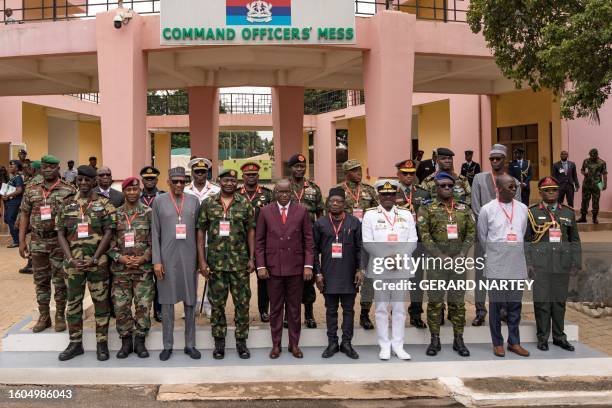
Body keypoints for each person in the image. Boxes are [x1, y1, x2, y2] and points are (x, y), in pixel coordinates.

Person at [56, 165, 116, 362]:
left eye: (87, 180)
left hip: (97, 265)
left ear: (94, 181)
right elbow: (61, 233)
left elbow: (109, 232)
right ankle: (75, 344)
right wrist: (71, 259)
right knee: (73, 304)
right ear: (76, 180)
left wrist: (95, 258)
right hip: (73, 266)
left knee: (101, 304)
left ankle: (102, 343)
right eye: (80, 179)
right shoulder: (66, 204)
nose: (83, 183)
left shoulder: (105, 205)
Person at [197, 169, 256, 360]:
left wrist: (251, 258)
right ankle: (219, 343)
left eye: (232, 180)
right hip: (216, 265)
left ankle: (241, 342)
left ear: (236, 182)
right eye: (225, 180)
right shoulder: (208, 203)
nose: (229, 183)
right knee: (217, 305)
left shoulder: (244, 203)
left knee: (242, 304)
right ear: (219, 182)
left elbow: (250, 232)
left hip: (239, 264)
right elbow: (200, 233)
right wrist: (202, 260)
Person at [417, 172, 475, 357]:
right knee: (435, 302)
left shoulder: (464, 208)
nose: (447, 188)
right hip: (436, 264)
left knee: (457, 303)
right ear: (436, 187)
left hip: (458, 263)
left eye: (450, 186)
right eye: (443, 185)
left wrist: (462, 254)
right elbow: (424, 234)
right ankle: (435, 340)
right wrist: (439, 255)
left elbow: (471, 233)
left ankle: (459, 339)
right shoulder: (427, 208)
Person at [256, 179, 314, 360]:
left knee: (295, 309)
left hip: (296, 268)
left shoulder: (302, 211)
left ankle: (294, 344)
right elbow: (259, 242)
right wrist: (261, 265)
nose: (283, 195)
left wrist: (308, 265)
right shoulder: (265, 211)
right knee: (275, 309)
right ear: (275, 193)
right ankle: (276, 345)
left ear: (291, 192)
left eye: (287, 192)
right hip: (273, 269)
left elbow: (308, 240)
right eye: (280, 192)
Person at [18, 155, 75, 332]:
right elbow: (25, 215)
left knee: (60, 281)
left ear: (58, 168)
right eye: (45, 167)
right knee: (41, 280)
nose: (48, 170)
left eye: (52, 167)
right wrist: (21, 241)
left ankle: (59, 315)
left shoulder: (69, 190)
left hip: (59, 242)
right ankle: (44, 316)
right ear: (41, 169)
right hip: (37, 241)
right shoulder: (32, 189)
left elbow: (74, 218)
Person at [362, 180, 417, 361]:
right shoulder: (369, 215)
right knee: (381, 308)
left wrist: (399, 257)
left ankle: (398, 345)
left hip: (401, 268)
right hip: (380, 267)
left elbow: (412, 240)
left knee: (400, 308)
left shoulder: (406, 214)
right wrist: (386, 257)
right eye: (384, 194)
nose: (387, 197)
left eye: (391, 194)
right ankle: (384, 345)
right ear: (378, 195)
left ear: (396, 196)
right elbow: (368, 242)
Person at [526, 176, 581, 352]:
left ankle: (559, 337)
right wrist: (528, 263)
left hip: (562, 265)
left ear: (558, 191)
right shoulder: (532, 212)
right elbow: (526, 241)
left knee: (559, 302)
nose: (551, 193)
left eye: (554, 190)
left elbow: (575, 240)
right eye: (547, 190)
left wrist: (575, 263)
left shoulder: (568, 212)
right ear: (540, 193)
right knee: (542, 302)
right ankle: (542, 337)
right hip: (540, 265)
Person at [477, 174, 530, 358]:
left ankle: (514, 342)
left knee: (515, 306)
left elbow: (522, 234)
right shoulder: (487, 210)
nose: (514, 189)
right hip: (496, 265)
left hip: (516, 264)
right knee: (496, 305)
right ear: (497, 189)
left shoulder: (523, 209)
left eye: (515, 186)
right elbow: (483, 237)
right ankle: (497, 343)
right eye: (509, 187)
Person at [152, 167, 201, 361]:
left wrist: (200, 259)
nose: (179, 184)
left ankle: (190, 344)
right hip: (166, 260)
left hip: (189, 260)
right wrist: (156, 261)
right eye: (175, 181)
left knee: (190, 302)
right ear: (168, 182)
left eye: (182, 181)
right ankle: (167, 345)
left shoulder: (194, 202)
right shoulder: (159, 202)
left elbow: (199, 233)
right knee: (166, 303)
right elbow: (154, 233)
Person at [470, 144, 521, 326]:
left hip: (505, 240)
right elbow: (475, 207)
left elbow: (517, 210)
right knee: (481, 276)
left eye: (498, 158)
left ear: (504, 159)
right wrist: (489, 230)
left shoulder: (514, 181)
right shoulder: (479, 178)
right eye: (492, 158)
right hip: (483, 237)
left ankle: (502, 309)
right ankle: (480, 311)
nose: (494, 161)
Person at [107, 177, 154, 359]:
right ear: (124, 192)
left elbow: (155, 240)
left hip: (143, 270)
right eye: (129, 190)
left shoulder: (149, 213)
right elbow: (108, 242)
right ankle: (126, 341)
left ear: (139, 191)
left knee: (143, 306)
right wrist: (121, 258)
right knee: (121, 307)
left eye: (135, 189)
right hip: (121, 271)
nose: (132, 193)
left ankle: (140, 341)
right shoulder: (115, 214)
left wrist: (143, 258)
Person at [314, 187, 362, 360]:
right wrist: (317, 273)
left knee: (349, 310)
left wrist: (360, 269)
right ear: (327, 203)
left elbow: (360, 249)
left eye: (339, 201)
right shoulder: (320, 223)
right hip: (328, 275)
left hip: (349, 275)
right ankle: (332, 342)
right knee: (331, 310)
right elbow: (314, 251)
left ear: (345, 204)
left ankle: (347, 343)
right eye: (332, 201)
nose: (335, 204)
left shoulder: (354, 223)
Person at [335, 159, 378, 330]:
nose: (358, 173)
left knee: (368, 278)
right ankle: (348, 314)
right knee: (347, 278)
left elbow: (378, 212)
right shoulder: (338, 190)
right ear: (346, 174)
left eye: (359, 169)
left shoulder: (369, 190)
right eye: (354, 170)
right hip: (347, 241)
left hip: (367, 240)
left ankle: (364, 315)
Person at [287, 153, 324, 329]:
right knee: (288, 276)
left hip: (309, 239)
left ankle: (309, 314)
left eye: (302, 167)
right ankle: (289, 315)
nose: (300, 169)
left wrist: (321, 236)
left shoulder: (314, 189)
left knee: (308, 277)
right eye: (296, 166)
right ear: (290, 168)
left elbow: (320, 214)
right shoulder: (283, 187)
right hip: (287, 239)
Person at [395, 159, 430, 329]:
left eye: (412, 173)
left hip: (418, 243)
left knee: (416, 280)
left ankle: (416, 314)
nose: (409, 176)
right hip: (398, 244)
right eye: (405, 173)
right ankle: (396, 315)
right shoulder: (390, 193)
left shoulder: (423, 193)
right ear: (398, 175)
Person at [237, 161, 273, 323]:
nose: (251, 177)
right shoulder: (237, 194)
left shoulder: (268, 195)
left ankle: (263, 310)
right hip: (240, 243)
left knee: (263, 278)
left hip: (263, 242)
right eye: (247, 175)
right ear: (242, 176)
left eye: (254, 175)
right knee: (240, 279)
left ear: (258, 176)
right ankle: (241, 311)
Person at [184, 157, 220, 318]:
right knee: (191, 272)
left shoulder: (216, 190)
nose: (200, 175)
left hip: (211, 239)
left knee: (210, 272)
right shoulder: (185, 190)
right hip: (189, 238)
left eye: (203, 172)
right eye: (197, 172)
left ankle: (209, 303)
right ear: (192, 172)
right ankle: (191, 303)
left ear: (207, 172)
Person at [140, 165, 165, 322]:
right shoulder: (136, 196)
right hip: (141, 245)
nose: (149, 181)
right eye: (146, 179)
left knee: (160, 280)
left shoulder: (163, 197)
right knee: (143, 281)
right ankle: (144, 312)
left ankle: (159, 310)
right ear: (142, 180)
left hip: (160, 243)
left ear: (157, 180)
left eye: (152, 179)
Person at [578, 148, 607, 224]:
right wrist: (584, 173)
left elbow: (604, 174)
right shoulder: (586, 161)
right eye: (591, 155)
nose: (592, 157)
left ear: (597, 155)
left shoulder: (602, 162)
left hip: (597, 184)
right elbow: (582, 170)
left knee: (596, 201)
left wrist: (604, 184)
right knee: (584, 201)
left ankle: (594, 218)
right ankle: (583, 217)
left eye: (593, 155)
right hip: (586, 184)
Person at [2, 160, 24, 248]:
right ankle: (18, 237)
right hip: (10, 202)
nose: (10, 168)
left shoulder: (18, 177)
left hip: (14, 202)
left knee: (10, 220)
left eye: (12, 166)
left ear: (17, 168)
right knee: (7, 219)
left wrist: (8, 196)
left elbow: (19, 190)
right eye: (10, 166)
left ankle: (16, 241)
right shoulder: (12, 178)